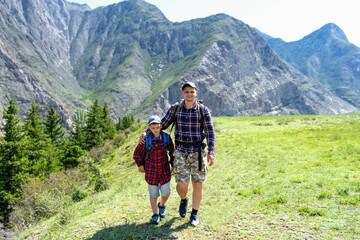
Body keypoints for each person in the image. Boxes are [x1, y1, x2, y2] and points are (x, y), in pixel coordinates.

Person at [141, 81, 215, 227]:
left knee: (198, 183)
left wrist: (211, 152)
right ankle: (183, 199)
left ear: (196, 93)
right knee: (181, 184)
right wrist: (146, 132)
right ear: (183, 93)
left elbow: (210, 132)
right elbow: (162, 124)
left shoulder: (203, 110)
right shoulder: (175, 109)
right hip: (180, 151)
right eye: (186, 92)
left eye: (192, 91)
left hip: (198, 152)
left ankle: (194, 214)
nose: (189, 94)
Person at [133, 115, 174, 224]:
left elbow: (172, 152)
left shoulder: (166, 138)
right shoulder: (145, 139)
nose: (155, 130)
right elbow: (137, 153)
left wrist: (173, 164)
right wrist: (140, 165)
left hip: (164, 169)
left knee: (166, 192)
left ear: (161, 126)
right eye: (153, 128)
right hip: (151, 171)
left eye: (157, 127)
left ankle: (161, 205)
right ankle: (155, 214)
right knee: (153, 194)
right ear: (149, 128)